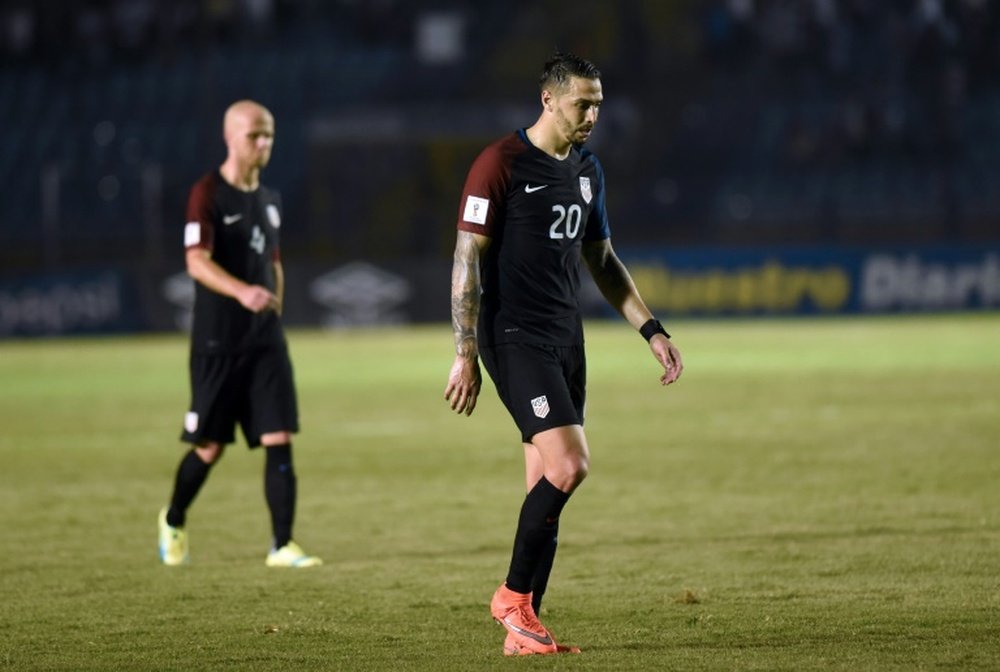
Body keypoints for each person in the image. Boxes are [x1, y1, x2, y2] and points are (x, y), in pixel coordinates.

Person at [444, 52, 683, 656]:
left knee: (542, 485)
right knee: (570, 465)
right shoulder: (499, 164)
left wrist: (650, 329)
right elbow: (466, 264)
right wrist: (465, 352)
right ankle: (511, 598)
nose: (594, 114)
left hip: (565, 339)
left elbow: (602, 262)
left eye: (599, 103)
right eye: (583, 103)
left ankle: (524, 631)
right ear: (549, 100)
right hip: (513, 337)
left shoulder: (586, 169)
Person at [158, 99, 321, 568]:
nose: (264, 143)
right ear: (230, 137)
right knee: (209, 448)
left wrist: (274, 305)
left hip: (265, 342)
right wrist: (243, 292)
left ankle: (282, 545)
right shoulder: (207, 193)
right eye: (254, 135)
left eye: (269, 134)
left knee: (279, 435)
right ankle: (173, 518)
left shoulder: (270, 200)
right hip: (217, 343)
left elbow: (274, 262)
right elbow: (195, 261)